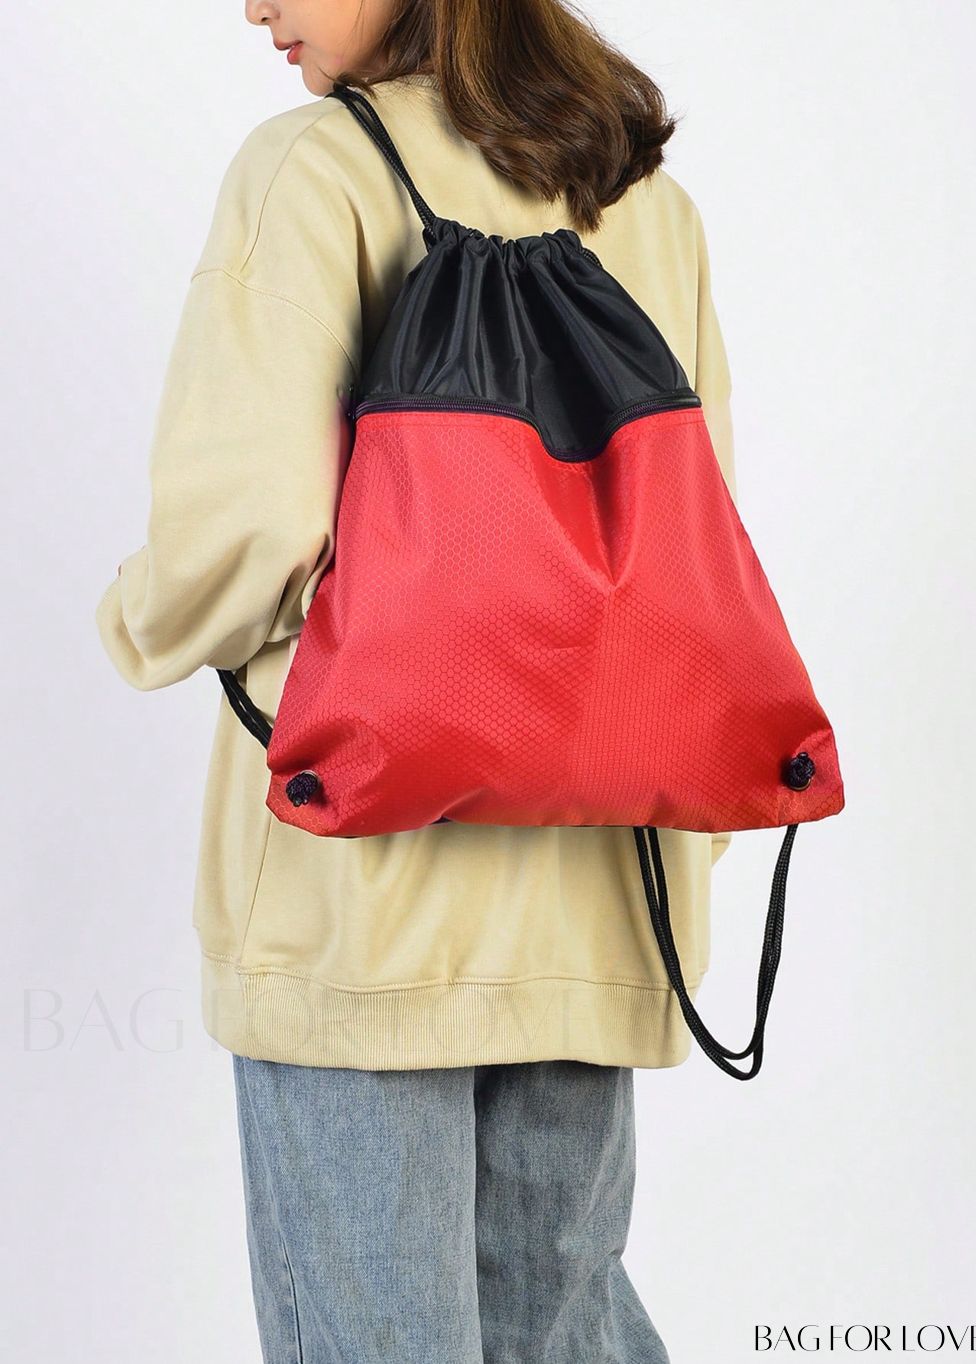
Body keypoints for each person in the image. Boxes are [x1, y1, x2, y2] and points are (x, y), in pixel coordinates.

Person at [95, 0, 738, 1357]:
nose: (254, 4)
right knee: (557, 1330)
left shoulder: (314, 169)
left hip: (362, 890)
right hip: (594, 882)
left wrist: (135, 623)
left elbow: (252, 527)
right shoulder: (635, 193)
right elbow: (693, 545)